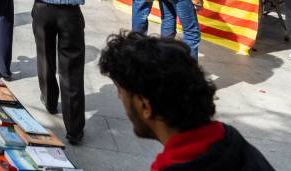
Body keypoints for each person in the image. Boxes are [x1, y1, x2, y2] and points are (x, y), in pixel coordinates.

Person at [98, 32, 274, 170]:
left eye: (121, 91)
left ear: (145, 105)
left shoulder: (177, 165)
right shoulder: (231, 139)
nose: (119, 97)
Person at [18, 0, 99, 145]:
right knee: (72, 69)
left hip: (43, 8)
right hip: (70, 13)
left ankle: (50, 100)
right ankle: (74, 129)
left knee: (44, 55)